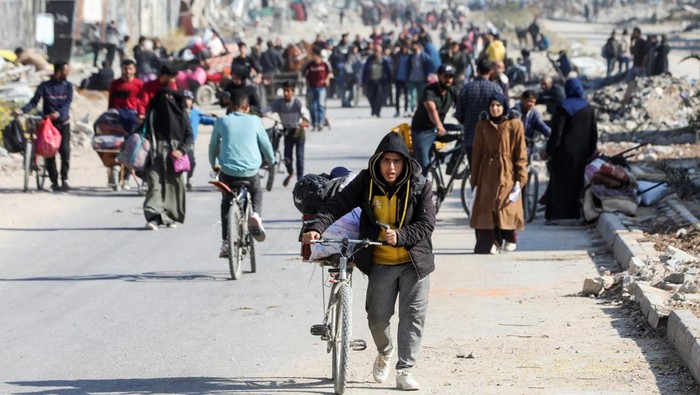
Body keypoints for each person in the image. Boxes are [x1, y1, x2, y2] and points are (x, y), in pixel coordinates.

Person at [302, 131, 435, 392]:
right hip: (381, 261)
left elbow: (427, 224)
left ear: (405, 163)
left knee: (413, 317)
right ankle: (385, 351)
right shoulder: (366, 181)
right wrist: (318, 226)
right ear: (377, 161)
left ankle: (405, 370)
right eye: (386, 161)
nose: (391, 167)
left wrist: (401, 235)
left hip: (414, 262)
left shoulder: (420, 184)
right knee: (377, 318)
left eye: (397, 161)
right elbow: (338, 204)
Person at [209, 90, 275, 256]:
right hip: (250, 172)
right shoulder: (255, 120)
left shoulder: (222, 120)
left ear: (230, 106)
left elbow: (212, 147)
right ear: (247, 107)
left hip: (228, 172)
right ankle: (256, 215)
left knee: (226, 201)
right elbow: (266, 145)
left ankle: (225, 242)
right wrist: (271, 160)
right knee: (257, 190)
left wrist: (214, 164)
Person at [470, 93, 527, 254]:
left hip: (507, 171)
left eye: (498, 105)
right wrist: (474, 178)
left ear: (504, 106)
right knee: (487, 208)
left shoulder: (514, 124)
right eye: (492, 105)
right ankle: (492, 242)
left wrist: (521, 177)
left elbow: (520, 153)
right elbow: (477, 152)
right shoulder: (482, 125)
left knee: (504, 206)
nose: (495, 109)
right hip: (486, 172)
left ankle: (509, 236)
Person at [544, 78, 598, 223]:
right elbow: (593, 133)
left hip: (563, 153)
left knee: (560, 182)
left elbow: (557, 132)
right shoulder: (589, 108)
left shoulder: (563, 106)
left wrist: (551, 150)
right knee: (577, 181)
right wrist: (591, 151)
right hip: (581, 153)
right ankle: (575, 212)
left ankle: (558, 214)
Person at [15, 61, 73, 192]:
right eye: (66, 71)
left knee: (65, 151)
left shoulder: (68, 86)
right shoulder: (45, 86)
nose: (67, 73)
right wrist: (22, 111)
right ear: (58, 71)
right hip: (48, 124)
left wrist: (58, 114)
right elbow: (34, 102)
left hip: (63, 123)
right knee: (49, 152)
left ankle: (64, 179)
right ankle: (54, 182)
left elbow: (67, 104)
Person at [142, 87, 193, 230]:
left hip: (174, 154)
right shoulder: (153, 113)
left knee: (173, 186)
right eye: (162, 96)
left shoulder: (182, 115)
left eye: (169, 97)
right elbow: (144, 130)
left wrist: (181, 150)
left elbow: (189, 136)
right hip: (154, 153)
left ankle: (170, 216)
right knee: (154, 184)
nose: (166, 100)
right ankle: (154, 217)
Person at [410, 63, 458, 176]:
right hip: (422, 131)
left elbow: (461, 106)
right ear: (439, 76)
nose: (448, 80)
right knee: (423, 166)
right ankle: (419, 191)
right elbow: (432, 110)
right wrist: (439, 126)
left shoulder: (452, 91)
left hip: (439, 128)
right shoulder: (429, 90)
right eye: (445, 76)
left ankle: (452, 165)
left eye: (451, 76)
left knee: (465, 134)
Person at [455, 58, 503, 166]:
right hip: (492, 140)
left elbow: (458, 115)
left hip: (471, 139)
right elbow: (502, 115)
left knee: (475, 173)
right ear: (491, 71)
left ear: (477, 70)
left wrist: (467, 122)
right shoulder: (496, 89)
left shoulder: (466, 89)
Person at [263, 81, 310, 187]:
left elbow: (305, 112)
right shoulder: (278, 102)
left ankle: (300, 180)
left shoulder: (298, 102)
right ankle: (291, 172)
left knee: (299, 156)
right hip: (287, 133)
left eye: (288, 91)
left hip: (298, 132)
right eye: (284, 91)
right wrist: (260, 113)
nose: (286, 93)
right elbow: (269, 109)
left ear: (293, 92)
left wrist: (305, 120)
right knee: (287, 157)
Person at [182, 90, 216, 191]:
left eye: (188, 99)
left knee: (191, 161)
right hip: (178, 140)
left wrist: (219, 121)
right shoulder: (177, 111)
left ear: (192, 101)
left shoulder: (196, 113)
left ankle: (189, 178)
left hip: (190, 142)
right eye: (184, 99)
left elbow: (206, 120)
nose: (186, 101)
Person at [303, 47, 333, 131]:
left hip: (321, 87)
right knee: (312, 106)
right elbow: (304, 73)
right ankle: (314, 123)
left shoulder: (325, 64)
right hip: (312, 87)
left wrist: (327, 80)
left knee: (320, 105)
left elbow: (330, 73)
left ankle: (320, 122)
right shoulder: (310, 65)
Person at [362, 45, 392, 118]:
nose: (376, 52)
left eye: (378, 51)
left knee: (379, 98)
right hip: (371, 81)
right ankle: (373, 108)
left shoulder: (384, 61)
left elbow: (388, 72)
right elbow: (365, 71)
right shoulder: (370, 60)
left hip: (380, 82)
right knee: (370, 96)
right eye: (375, 51)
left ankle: (377, 112)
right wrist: (364, 82)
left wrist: (388, 82)